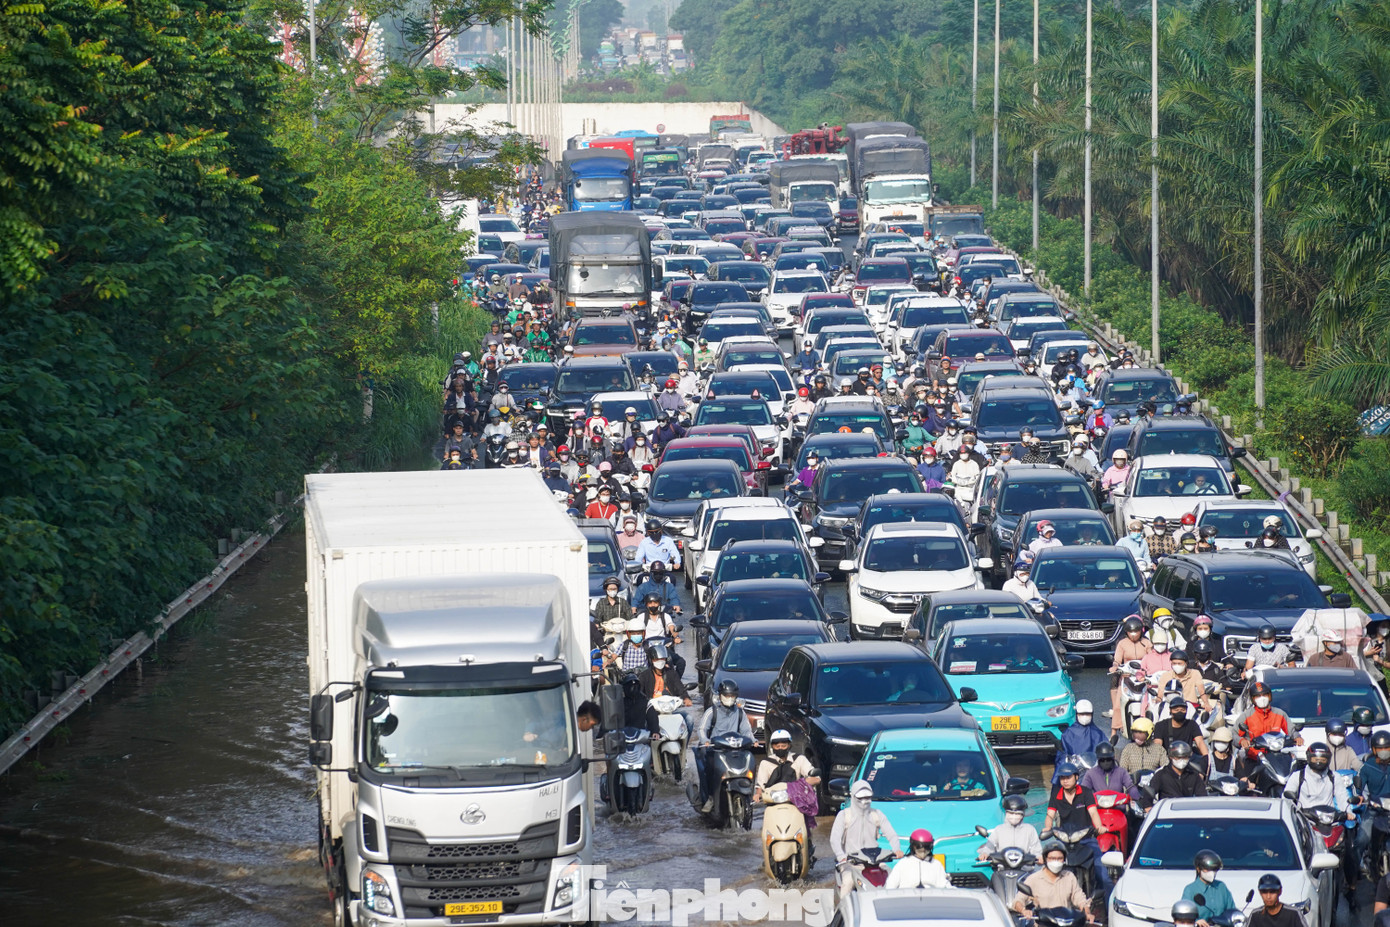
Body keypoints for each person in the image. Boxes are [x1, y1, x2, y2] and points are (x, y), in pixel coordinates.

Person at [1044, 763, 1112, 894]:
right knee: (1049, 870)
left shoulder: (1086, 792)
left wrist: (1099, 827)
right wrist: (1047, 828)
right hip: (1065, 842)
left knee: (1103, 876)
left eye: (1068, 777)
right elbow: (1049, 815)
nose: (1065, 780)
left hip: (1086, 839)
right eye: (1062, 778)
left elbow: (1093, 813)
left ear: (1076, 777)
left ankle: (1110, 907)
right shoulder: (1056, 795)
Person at [831, 780, 903, 893]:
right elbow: (834, 839)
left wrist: (896, 849)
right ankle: (842, 909)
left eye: (867, 797)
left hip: (875, 862)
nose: (864, 801)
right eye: (861, 798)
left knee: (894, 879)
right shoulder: (844, 815)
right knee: (848, 882)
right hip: (851, 863)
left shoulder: (877, 814)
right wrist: (841, 856)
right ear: (853, 797)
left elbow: (892, 835)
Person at [693, 680, 754, 813]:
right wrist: (705, 740)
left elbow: (746, 731)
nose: (729, 699)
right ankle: (709, 797)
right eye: (727, 695)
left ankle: (750, 796)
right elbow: (702, 729)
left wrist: (753, 740)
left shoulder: (740, 713)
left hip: (735, 749)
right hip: (716, 750)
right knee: (707, 770)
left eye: (732, 696)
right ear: (720, 696)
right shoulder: (711, 711)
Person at [1012, 842, 1091, 918]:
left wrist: (1086, 912)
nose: (1056, 861)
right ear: (1045, 859)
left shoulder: (1069, 877)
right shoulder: (1034, 879)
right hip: (1043, 923)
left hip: (1065, 922)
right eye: (1052, 858)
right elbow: (1018, 901)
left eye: (1059, 858)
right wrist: (1024, 911)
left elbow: (1080, 899)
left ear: (1064, 860)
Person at [1109, 616, 1152, 731]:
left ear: (1141, 631)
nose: (1133, 634)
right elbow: (1117, 660)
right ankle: (1114, 730)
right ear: (1126, 632)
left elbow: (1151, 658)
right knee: (1118, 705)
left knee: (1152, 701)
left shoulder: (1146, 643)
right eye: (1130, 632)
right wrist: (1115, 666)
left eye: (1136, 631)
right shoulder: (1122, 643)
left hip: (1143, 676)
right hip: (1127, 676)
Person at [1236, 682, 1293, 757]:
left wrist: (1297, 737)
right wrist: (1242, 740)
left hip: (1275, 755)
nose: (1262, 698)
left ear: (1269, 696)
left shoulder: (1279, 713)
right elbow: (1234, 733)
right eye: (1258, 696)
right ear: (1253, 699)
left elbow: (1291, 729)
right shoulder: (1247, 715)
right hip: (1254, 757)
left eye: (1264, 695)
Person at [978, 794, 1043, 860]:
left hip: (1025, 867)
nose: (1014, 816)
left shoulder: (1030, 829)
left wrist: (1039, 857)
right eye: (1011, 813)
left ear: (1023, 815)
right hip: (1002, 867)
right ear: (1006, 813)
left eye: (1017, 814)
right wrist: (985, 853)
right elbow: (990, 845)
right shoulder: (999, 829)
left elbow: (1036, 849)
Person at [1181, 853, 1237, 927]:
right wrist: (1196, 922)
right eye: (1207, 869)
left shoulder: (1221, 887)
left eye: (1214, 869)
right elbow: (1183, 917)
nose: (1211, 872)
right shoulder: (1190, 890)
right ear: (1198, 869)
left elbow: (1232, 911)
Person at [1056, 700, 1108, 776]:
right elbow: (1062, 757)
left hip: (1095, 772)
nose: (1084, 716)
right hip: (1075, 771)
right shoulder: (1068, 734)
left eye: (1087, 714)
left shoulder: (1098, 733)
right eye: (1082, 714)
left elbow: (1106, 751)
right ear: (1077, 714)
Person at [884, 830, 949, 889]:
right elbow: (890, 886)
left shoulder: (936, 864)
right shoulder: (903, 864)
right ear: (913, 846)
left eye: (927, 847)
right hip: (907, 898)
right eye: (919, 846)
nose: (923, 850)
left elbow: (944, 885)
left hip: (930, 899)